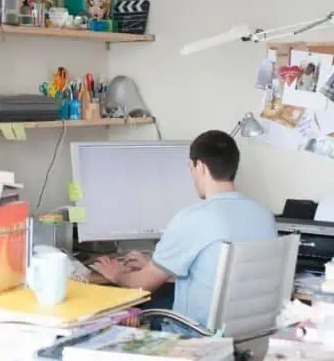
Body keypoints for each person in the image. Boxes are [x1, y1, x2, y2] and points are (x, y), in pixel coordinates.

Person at [91, 130, 276, 328]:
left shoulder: (194, 218)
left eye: (191, 167)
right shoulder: (264, 215)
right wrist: (157, 266)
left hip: (194, 338)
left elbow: (141, 285)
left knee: (117, 313)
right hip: (249, 337)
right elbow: (217, 276)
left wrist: (116, 274)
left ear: (201, 167)